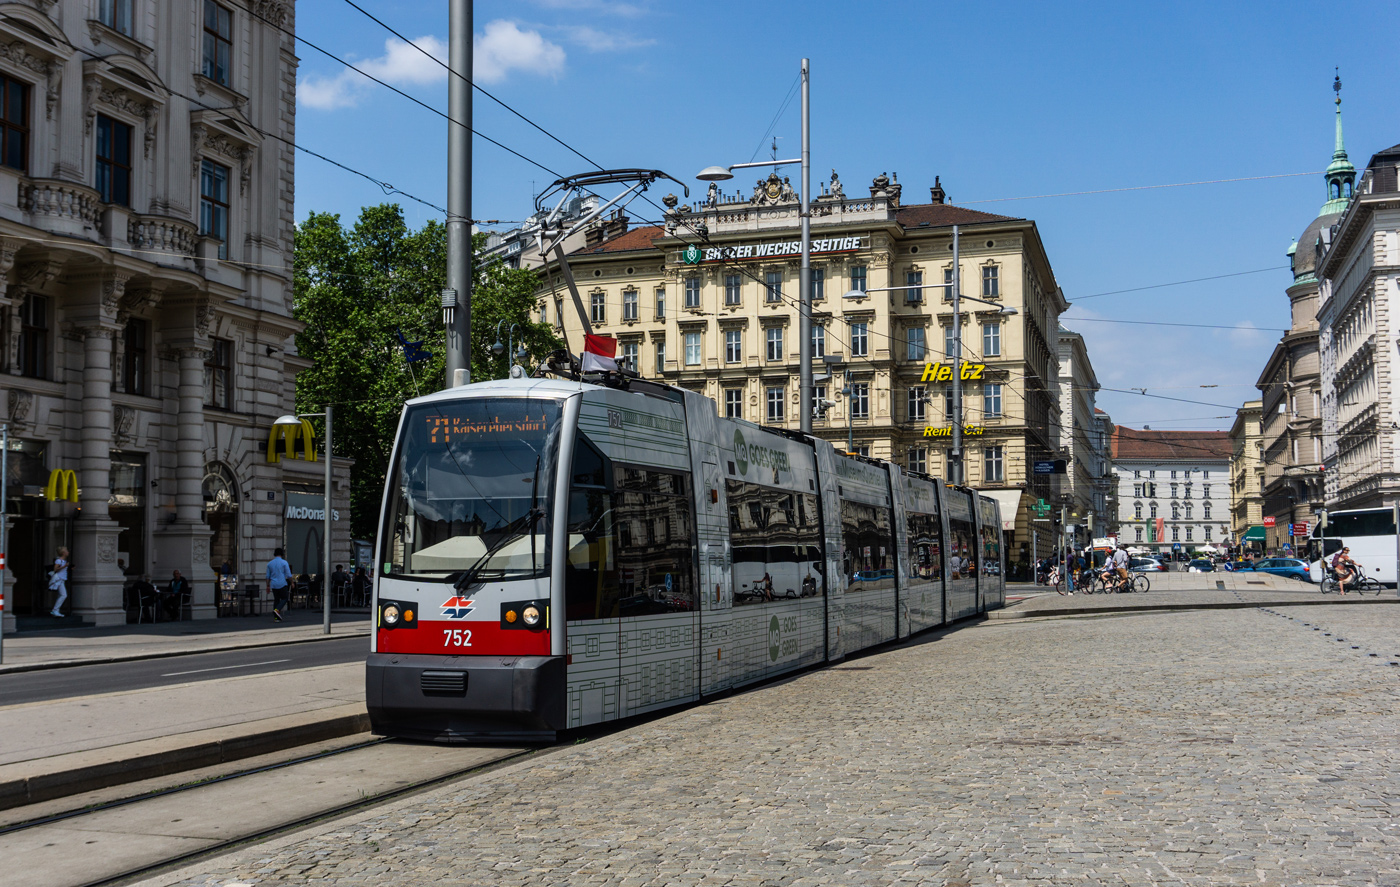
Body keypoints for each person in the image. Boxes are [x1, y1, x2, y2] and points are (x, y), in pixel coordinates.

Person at [266, 547, 293, 621]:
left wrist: (267, 585)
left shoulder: (270, 564)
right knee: (285, 598)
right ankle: (277, 610)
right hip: (282, 583)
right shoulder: (284, 562)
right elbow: (288, 575)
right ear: (282, 554)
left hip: (273, 584)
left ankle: (276, 618)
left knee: (276, 600)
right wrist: (292, 582)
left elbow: (268, 576)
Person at [48, 546, 70, 617]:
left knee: (61, 595)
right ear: (63, 553)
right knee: (63, 595)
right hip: (59, 579)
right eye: (66, 551)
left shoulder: (63, 561)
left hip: (62, 579)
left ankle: (56, 610)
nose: (68, 552)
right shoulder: (59, 561)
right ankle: (55, 610)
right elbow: (55, 569)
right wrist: (64, 566)